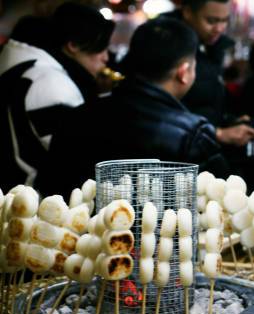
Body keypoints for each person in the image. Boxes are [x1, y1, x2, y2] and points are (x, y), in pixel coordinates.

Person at [40, 18, 230, 198]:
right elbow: (220, 203)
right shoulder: (194, 135)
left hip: (80, 232)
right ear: (183, 72)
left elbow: (51, 191)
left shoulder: (75, 118)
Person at [0, 5, 113, 191]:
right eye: (100, 48)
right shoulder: (51, 83)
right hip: (34, 200)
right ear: (73, 45)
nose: (106, 57)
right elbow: (75, 156)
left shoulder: (26, 63)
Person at [168, 0, 254, 148]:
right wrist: (217, 133)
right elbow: (163, 113)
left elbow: (206, 102)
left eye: (225, 20)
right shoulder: (166, 45)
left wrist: (228, 120)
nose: (219, 28)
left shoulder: (213, 47)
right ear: (188, 12)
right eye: (211, 21)